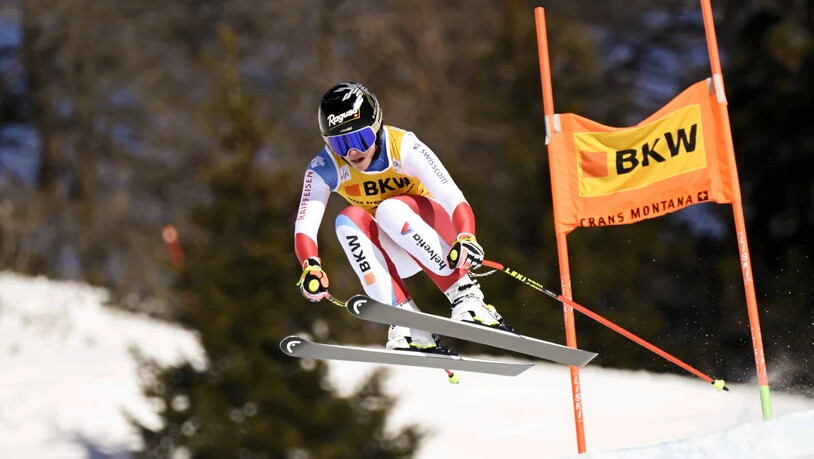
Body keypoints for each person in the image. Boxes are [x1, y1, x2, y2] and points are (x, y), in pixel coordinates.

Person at [294, 82, 509, 354]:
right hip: (396, 249)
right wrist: (310, 266)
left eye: (360, 140)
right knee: (346, 221)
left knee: (389, 210)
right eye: (339, 143)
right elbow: (305, 227)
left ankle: (467, 295)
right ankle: (406, 321)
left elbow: (453, 198)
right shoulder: (324, 167)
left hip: (440, 240)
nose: (352, 153)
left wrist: (467, 235)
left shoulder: (403, 147)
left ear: (376, 127)